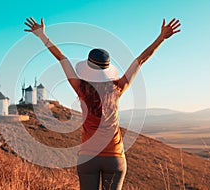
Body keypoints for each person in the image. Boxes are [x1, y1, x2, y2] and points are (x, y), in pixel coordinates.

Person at [24, 17, 181, 190]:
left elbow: (62, 58)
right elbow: (140, 61)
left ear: (88, 68)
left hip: (87, 158)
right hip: (114, 157)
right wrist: (160, 38)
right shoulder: (118, 88)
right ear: (107, 69)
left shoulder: (81, 89)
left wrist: (42, 36)